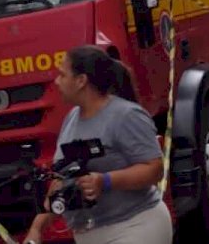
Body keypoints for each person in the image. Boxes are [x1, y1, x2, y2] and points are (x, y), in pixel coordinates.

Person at [24, 46, 172, 244]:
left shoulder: (126, 115)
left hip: (134, 226)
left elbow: (155, 169)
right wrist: (37, 229)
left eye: (62, 75)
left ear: (81, 81)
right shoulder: (71, 119)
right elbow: (62, 179)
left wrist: (105, 181)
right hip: (89, 234)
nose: (56, 82)